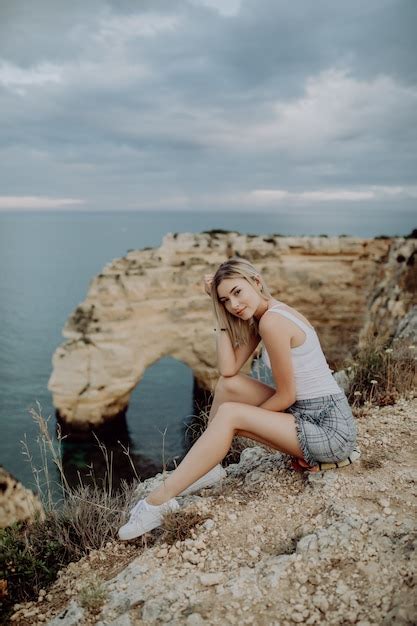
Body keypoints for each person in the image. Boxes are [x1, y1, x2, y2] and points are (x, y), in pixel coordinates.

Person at [118, 257, 358, 541]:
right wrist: (216, 313)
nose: (233, 305)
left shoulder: (272, 322)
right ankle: (210, 467)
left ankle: (157, 503)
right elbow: (228, 369)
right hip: (310, 414)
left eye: (237, 292)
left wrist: (243, 422)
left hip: (330, 430)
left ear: (256, 282)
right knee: (229, 387)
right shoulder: (263, 316)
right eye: (224, 300)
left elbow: (287, 395)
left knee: (230, 415)